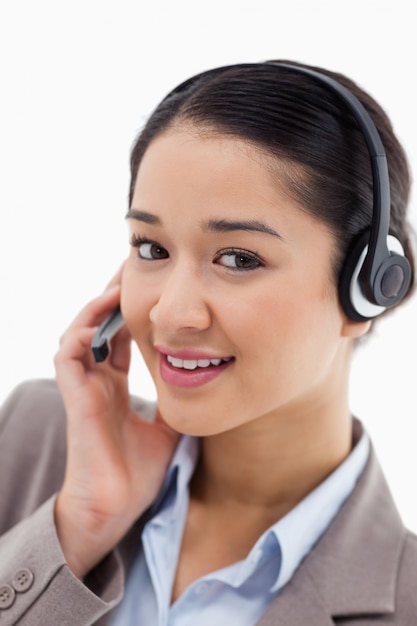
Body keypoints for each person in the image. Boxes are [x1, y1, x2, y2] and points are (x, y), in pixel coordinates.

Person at [0, 60, 416, 626]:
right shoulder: (37, 439)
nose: (170, 312)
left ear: (368, 287)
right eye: (151, 248)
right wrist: (76, 525)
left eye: (238, 258)